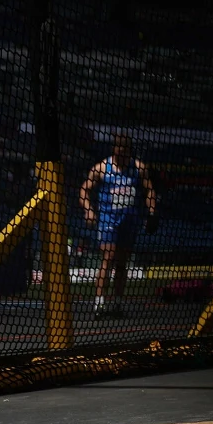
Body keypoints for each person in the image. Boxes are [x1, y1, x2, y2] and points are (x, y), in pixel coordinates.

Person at [80, 133, 156, 320]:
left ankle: (118, 303)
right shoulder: (101, 168)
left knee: (122, 263)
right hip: (108, 220)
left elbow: (149, 190)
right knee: (109, 257)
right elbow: (84, 190)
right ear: (114, 149)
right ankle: (99, 303)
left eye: (125, 155)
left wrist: (152, 212)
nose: (122, 158)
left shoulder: (138, 167)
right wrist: (88, 210)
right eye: (119, 154)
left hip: (130, 221)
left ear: (129, 152)